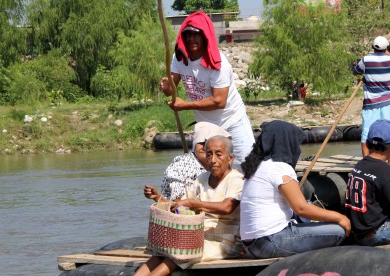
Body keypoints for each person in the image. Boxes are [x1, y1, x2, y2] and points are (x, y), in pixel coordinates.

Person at [95, 135, 244, 276]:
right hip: (199, 237)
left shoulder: (236, 180)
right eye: (209, 154)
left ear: (231, 158)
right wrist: (159, 198)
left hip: (225, 242)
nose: (213, 160)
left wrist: (193, 204)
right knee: (161, 253)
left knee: (177, 254)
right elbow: (180, 206)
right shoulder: (202, 179)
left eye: (219, 154)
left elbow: (227, 207)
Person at [239, 120, 350, 258]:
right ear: (287, 143)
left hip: (251, 244)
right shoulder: (278, 167)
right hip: (271, 242)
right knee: (338, 230)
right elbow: (301, 208)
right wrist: (339, 217)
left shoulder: (256, 167)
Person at [159, 10, 255, 169]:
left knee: (248, 167)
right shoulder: (179, 57)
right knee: (205, 170)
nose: (191, 38)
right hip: (206, 126)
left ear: (205, 36)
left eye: (196, 34)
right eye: (188, 34)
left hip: (232, 122)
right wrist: (166, 87)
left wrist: (185, 105)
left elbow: (219, 101)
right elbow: (171, 89)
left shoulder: (218, 63)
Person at [143, 122, 230, 203]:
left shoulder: (223, 167)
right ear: (195, 144)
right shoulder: (182, 163)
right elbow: (178, 201)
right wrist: (158, 197)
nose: (205, 148)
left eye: (208, 145)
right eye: (202, 143)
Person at [352, 35, 390, 157]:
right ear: (386, 49)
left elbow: (355, 71)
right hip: (387, 102)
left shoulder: (366, 60)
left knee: (366, 132)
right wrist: (388, 52)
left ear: (372, 47)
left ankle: (365, 159)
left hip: (371, 103)